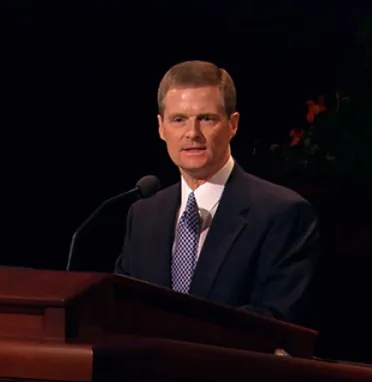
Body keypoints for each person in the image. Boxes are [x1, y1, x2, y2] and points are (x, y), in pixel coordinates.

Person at [115, 60, 319, 323]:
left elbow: (276, 320)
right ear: (161, 127)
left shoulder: (281, 213)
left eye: (206, 119)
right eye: (179, 120)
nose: (192, 133)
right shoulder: (143, 215)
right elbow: (120, 308)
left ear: (233, 124)